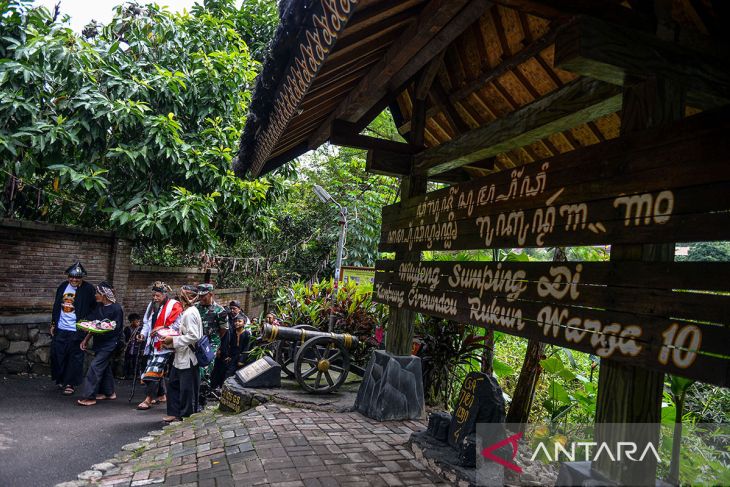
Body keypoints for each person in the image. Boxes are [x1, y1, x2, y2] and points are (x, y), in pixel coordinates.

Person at [50, 261, 96, 395]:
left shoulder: (88, 289)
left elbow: (94, 308)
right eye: (72, 276)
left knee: (74, 357)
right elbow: (56, 306)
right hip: (61, 328)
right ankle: (61, 379)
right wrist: (53, 323)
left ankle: (70, 383)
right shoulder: (63, 286)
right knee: (58, 354)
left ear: (82, 277)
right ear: (68, 276)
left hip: (77, 329)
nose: (74, 279)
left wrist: (87, 322)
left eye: (77, 277)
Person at [77, 282, 124, 406]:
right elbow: (93, 323)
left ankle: (89, 397)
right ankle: (109, 392)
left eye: (97, 293)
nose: (95, 295)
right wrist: (86, 339)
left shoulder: (116, 308)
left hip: (111, 344)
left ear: (104, 295)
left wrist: (99, 327)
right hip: (100, 342)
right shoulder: (99, 307)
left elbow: (115, 327)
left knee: (95, 366)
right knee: (104, 367)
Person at [137, 282, 183, 410]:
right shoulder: (151, 306)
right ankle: (162, 395)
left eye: (157, 295)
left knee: (153, 371)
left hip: (165, 344)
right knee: (156, 369)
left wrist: (161, 329)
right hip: (152, 343)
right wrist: (142, 335)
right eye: (153, 295)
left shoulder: (174, 305)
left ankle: (148, 399)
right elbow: (147, 323)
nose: (155, 298)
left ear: (164, 295)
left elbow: (177, 326)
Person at [162, 285, 202, 422]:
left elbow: (194, 336)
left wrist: (173, 341)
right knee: (173, 384)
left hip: (188, 358)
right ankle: (174, 412)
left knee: (187, 389)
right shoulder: (187, 311)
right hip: (180, 356)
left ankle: (186, 416)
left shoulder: (190, 313)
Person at [196, 284, 228, 404]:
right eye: (200, 296)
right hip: (196, 343)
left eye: (203, 296)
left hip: (210, 344)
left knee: (205, 371)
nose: (201, 298)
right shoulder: (195, 308)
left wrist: (214, 342)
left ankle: (201, 401)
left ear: (210, 294)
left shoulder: (220, 311)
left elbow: (223, 330)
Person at [225, 313, 253, 379]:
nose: (237, 323)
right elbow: (230, 345)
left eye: (239, 321)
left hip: (242, 356)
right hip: (233, 356)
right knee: (228, 373)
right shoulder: (232, 332)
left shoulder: (247, 334)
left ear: (244, 323)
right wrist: (229, 355)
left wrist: (242, 360)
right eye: (236, 321)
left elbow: (247, 347)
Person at [123, 313, 143, 379]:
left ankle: (136, 375)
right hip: (129, 348)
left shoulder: (141, 329)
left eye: (139, 321)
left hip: (137, 348)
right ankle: (127, 375)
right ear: (132, 322)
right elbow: (125, 339)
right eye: (137, 321)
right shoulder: (127, 329)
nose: (138, 323)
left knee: (136, 362)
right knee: (127, 362)